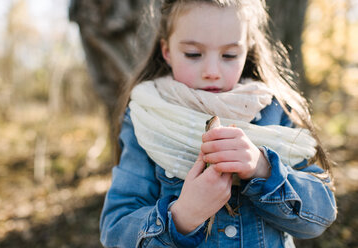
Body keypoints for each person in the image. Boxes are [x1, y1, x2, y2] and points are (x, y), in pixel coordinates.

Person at [99, 0, 337, 247]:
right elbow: (115, 229)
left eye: (229, 55)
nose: (211, 71)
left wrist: (263, 169)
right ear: (167, 51)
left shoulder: (274, 110)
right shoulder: (146, 115)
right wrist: (183, 216)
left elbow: (320, 215)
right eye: (193, 54)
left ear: (247, 52)